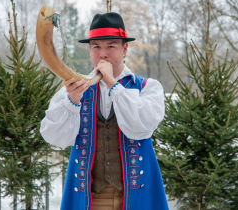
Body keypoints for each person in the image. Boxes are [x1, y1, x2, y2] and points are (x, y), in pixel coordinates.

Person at [40, 12, 169, 210]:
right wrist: (72, 102)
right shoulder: (74, 90)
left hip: (136, 197)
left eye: (111, 46)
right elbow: (55, 138)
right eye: (96, 47)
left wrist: (112, 83)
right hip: (90, 199)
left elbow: (139, 128)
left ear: (125, 48)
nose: (103, 54)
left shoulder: (148, 87)